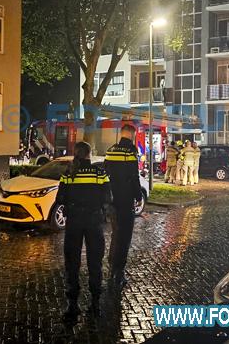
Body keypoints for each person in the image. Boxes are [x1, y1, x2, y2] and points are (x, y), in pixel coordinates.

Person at [57, 141, 112, 322]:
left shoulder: (69, 173)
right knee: (95, 262)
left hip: (74, 222)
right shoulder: (99, 173)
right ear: (90, 153)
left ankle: (72, 305)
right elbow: (107, 197)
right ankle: (95, 303)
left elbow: (60, 198)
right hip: (94, 222)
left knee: (72, 263)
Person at [104, 124, 142, 289]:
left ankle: (111, 266)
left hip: (112, 200)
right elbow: (134, 177)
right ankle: (118, 272)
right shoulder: (131, 152)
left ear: (121, 134)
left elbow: (106, 174)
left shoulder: (111, 151)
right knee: (124, 236)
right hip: (126, 201)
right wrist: (138, 196)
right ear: (132, 135)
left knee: (115, 233)